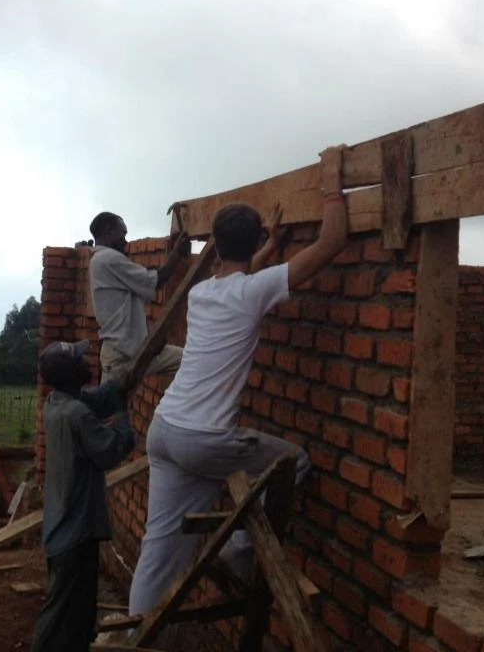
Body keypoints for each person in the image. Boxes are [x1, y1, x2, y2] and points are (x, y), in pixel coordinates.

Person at [127, 145, 349, 622]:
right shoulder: (253, 293)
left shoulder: (205, 291)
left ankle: (134, 639)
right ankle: (241, 550)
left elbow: (242, 270)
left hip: (164, 431)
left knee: (159, 548)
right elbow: (331, 244)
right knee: (295, 460)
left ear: (218, 249)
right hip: (205, 440)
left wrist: (267, 245)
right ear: (252, 249)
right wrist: (333, 181)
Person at [30, 339, 137, 652]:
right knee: (60, 613)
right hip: (74, 535)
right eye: (79, 359)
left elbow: (92, 398)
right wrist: (121, 411)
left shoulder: (56, 404)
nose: (86, 360)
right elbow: (114, 449)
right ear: (73, 373)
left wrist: (114, 386)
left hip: (63, 527)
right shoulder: (77, 415)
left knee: (78, 614)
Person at [88, 212, 192, 387]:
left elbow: (132, 303)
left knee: (189, 360)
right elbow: (156, 281)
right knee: (112, 412)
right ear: (109, 231)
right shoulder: (108, 258)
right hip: (120, 355)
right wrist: (176, 255)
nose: (125, 241)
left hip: (136, 351)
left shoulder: (98, 260)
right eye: (123, 233)